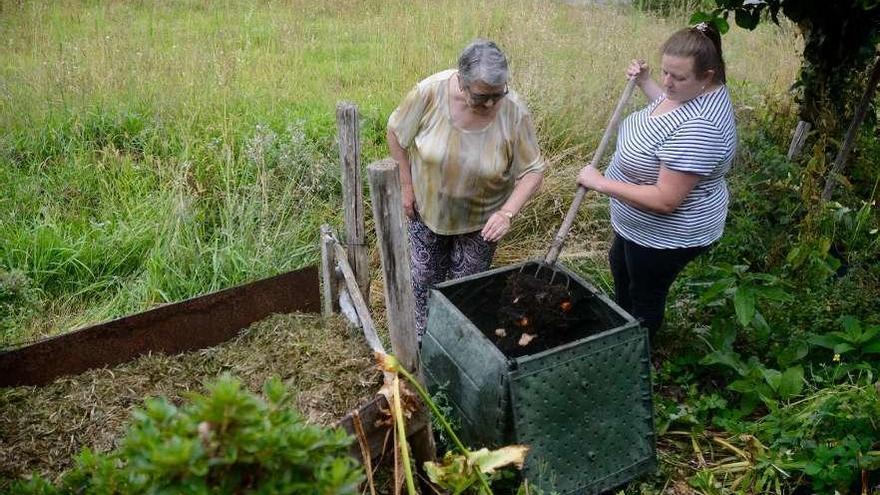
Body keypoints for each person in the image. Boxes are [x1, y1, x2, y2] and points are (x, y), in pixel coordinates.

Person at [576, 23, 736, 341]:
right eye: (665, 72)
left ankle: (638, 351)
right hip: (638, 225)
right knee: (621, 266)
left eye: (678, 77)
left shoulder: (702, 129)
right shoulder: (696, 93)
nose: (668, 83)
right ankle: (623, 329)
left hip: (664, 235)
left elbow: (666, 200)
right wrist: (646, 82)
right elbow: (670, 108)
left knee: (644, 296)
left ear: (707, 75)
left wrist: (602, 183)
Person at [387, 39, 546, 338]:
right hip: (427, 210)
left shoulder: (513, 111)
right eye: (482, 96)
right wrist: (406, 186)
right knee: (423, 279)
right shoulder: (429, 93)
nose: (490, 104)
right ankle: (421, 341)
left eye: (497, 95)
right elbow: (395, 133)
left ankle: (456, 344)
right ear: (461, 82)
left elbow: (534, 170)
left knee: (468, 289)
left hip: (482, 223)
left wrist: (507, 213)